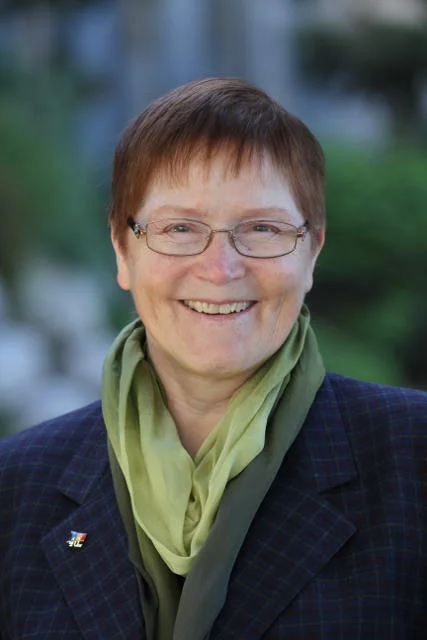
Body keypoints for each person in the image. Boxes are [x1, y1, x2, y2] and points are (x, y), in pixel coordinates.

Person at [1, 78, 426, 640]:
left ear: (312, 251)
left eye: (262, 228)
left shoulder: (413, 460)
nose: (221, 268)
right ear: (122, 250)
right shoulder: (16, 486)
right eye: (179, 228)